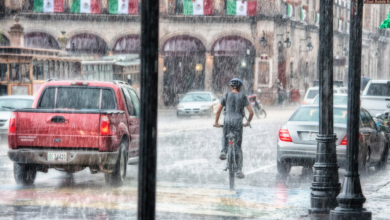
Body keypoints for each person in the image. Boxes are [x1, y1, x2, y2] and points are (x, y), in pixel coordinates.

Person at [214, 78, 254, 179]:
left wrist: (216, 122)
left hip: (227, 121)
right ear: (240, 88)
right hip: (238, 122)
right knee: (238, 147)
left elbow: (218, 111)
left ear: (231, 87)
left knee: (225, 134)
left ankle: (223, 151)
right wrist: (247, 122)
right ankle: (239, 170)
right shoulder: (243, 97)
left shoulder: (226, 96)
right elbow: (251, 112)